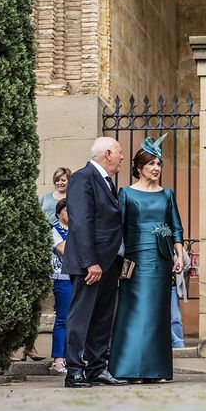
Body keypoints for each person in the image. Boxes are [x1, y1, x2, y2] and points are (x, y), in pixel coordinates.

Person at [108, 135, 184, 383]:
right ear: (139, 168)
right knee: (135, 312)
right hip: (135, 261)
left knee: (157, 314)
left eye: (159, 164)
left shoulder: (167, 195)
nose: (156, 169)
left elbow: (176, 228)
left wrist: (179, 256)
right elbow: (118, 229)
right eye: (151, 164)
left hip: (161, 261)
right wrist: (117, 261)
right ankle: (130, 368)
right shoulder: (126, 194)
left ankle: (156, 370)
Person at [62, 137, 128, 388]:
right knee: (81, 317)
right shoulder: (82, 178)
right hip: (90, 265)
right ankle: (75, 370)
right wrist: (91, 262)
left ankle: (97, 369)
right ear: (108, 153)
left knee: (102, 318)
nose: (122, 157)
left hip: (109, 262)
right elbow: (81, 222)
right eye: (120, 153)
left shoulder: (107, 181)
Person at [20, 168, 71, 362]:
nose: (60, 182)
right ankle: (37, 349)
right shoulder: (46, 201)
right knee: (55, 312)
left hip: (73, 270)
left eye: (63, 179)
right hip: (55, 261)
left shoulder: (75, 200)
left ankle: (69, 356)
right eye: (57, 179)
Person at [48, 198, 72, 375]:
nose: (69, 214)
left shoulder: (79, 230)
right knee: (63, 318)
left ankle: (72, 357)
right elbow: (63, 250)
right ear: (58, 214)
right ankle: (57, 360)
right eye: (66, 211)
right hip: (63, 278)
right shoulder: (55, 231)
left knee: (76, 319)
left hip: (80, 277)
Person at [171, 249, 191, 349]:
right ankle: (176, 343)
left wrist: (177, 273)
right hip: (154, 285)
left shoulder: (176, 248)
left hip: (171, 286)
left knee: (175, 318)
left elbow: (187, 264)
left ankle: (178, 346)